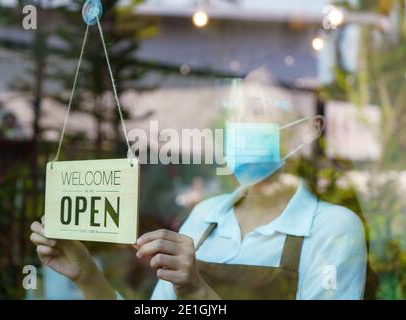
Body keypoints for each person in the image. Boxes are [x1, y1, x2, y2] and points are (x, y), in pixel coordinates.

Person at [30, 71, 367, 299]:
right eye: (233, 114)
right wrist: (87, 274)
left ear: (300, 132)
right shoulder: (206, 216)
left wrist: (198, 293)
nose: (239, 125)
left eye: (255, 110)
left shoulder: (333, 228)